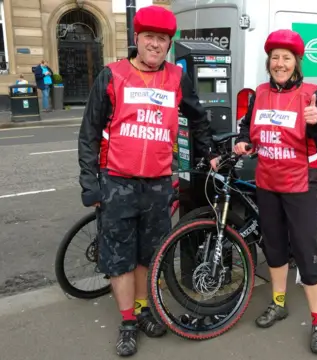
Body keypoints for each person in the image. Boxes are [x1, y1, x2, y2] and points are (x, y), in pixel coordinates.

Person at [77, 5, 218, 358]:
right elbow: (89, 133)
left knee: (148, 254)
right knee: (119, 259)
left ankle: (142, 311)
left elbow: (198, 119)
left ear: (169, 44)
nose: (155, 44)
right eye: (150, 37)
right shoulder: (111, 75)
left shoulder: (176, 78)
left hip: (157, 184)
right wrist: (89, 183)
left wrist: (211, 153)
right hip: (116, 182)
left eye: (163, 39)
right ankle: (128, 322)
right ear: (136, 38)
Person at [233, 29, 317, 355]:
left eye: (286, 58)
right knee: (275, 249)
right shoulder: (260, 93)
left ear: (297, 62)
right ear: (269, 62)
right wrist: (243, 141)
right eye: (275, 58)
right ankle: (278, 303)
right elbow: (247, 129)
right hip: (267, 184)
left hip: (300, 186)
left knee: (307, 255)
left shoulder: (311, 94)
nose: (279, 63)